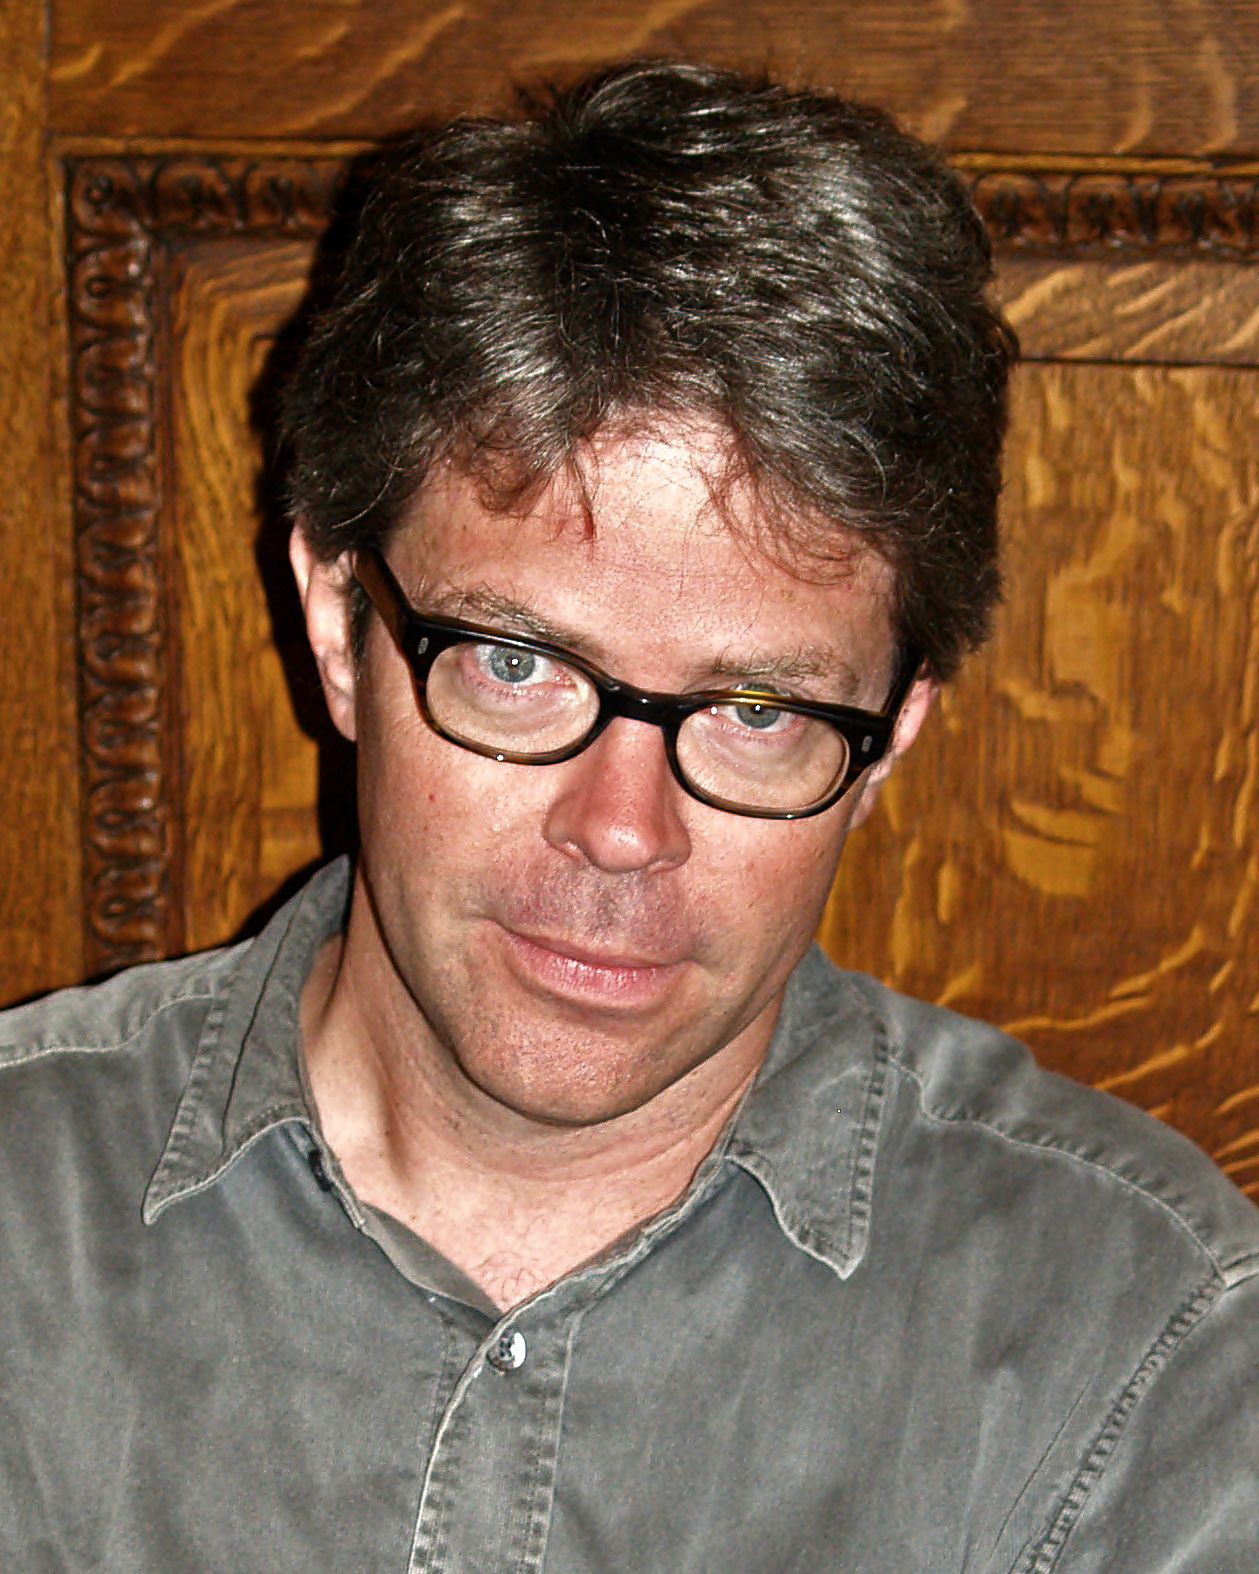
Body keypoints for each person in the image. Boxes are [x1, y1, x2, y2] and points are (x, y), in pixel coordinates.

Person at [1, 59, 1255, 1572]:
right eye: (518, 665)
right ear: (338, 623)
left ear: (894, 734)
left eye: (757, 713)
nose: (619, 829)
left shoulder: (1150, 1354)